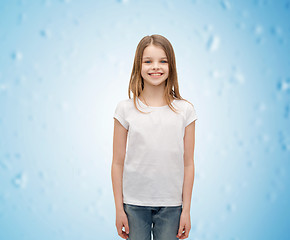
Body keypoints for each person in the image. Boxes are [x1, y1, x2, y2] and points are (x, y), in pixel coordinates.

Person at [111, 34, 198, 240]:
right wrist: (118, 209)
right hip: (133, 205)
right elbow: (117, 163)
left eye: (163, 61)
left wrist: (186, 210)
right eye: (148, 61)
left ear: (171, 66)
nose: (155, 67)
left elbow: (188, 164)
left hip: (171, 206)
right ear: (138, 66)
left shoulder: (185, 111)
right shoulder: (125, 109)